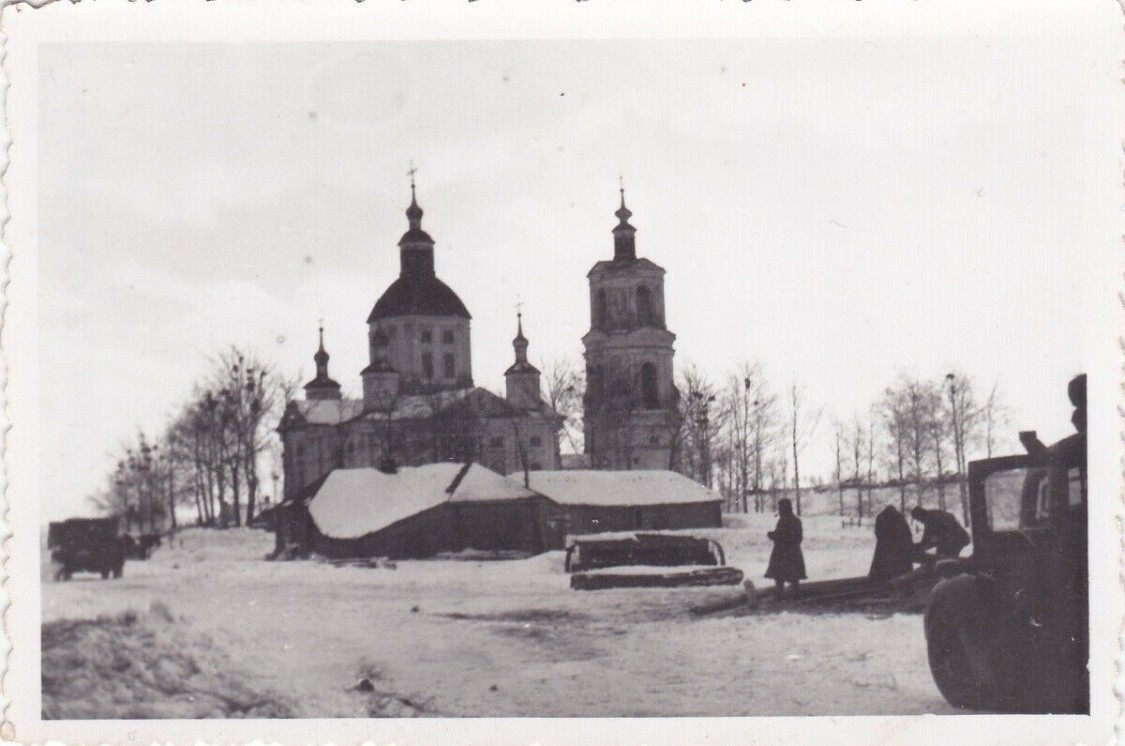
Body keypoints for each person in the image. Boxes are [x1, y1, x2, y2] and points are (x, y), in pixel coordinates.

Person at [765, 498, 806, 600]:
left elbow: (793, 537)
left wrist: (775, 536)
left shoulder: (789, 520)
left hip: (785, 552)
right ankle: (791, 595)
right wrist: (775, 535)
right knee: (790, 576)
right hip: (790, 552)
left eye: (781, 507)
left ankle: (784, 595)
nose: (780, 509)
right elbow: (795, 537)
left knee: (782, 575)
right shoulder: (791, 520)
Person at [868, 504, 914, 582]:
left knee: (882, 563)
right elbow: (906, 532)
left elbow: (877, 531)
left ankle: (881, 577)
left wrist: (882, 540)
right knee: (900, 565)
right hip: (897, 544)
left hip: (885, 544)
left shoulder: (881, 516)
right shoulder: (899, 517)